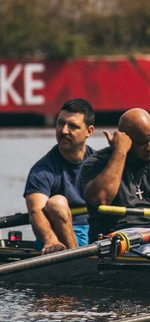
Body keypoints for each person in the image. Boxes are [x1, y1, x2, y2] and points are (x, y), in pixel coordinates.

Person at [80, 107, 150, 257]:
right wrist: (120, 151)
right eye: (142, 142)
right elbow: (101, 199)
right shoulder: (96, 162)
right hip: (118, 236)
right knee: (149, 254)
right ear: (126, 139)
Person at [25, 98, 96, 254]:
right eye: (60, 123)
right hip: (61, 235)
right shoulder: (42, 170)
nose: (63, 130)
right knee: (57, 203)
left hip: (98, 232)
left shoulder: (100, 163)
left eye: (72, 126)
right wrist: (51, 240)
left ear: (89, 131)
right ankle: (77, 261)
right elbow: (36, 211)